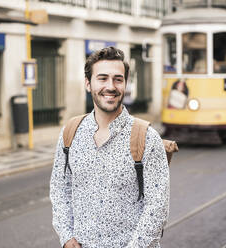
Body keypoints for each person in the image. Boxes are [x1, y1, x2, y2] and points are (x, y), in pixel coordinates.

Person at [50, 47, 169, 248]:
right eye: (102, 78)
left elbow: (157, 207)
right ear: (88, 83)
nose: (110, 86)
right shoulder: (70, 132)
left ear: (125, 84)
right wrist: (67, 237)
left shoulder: (146, 137)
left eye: (118, 79)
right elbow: (60, 188)